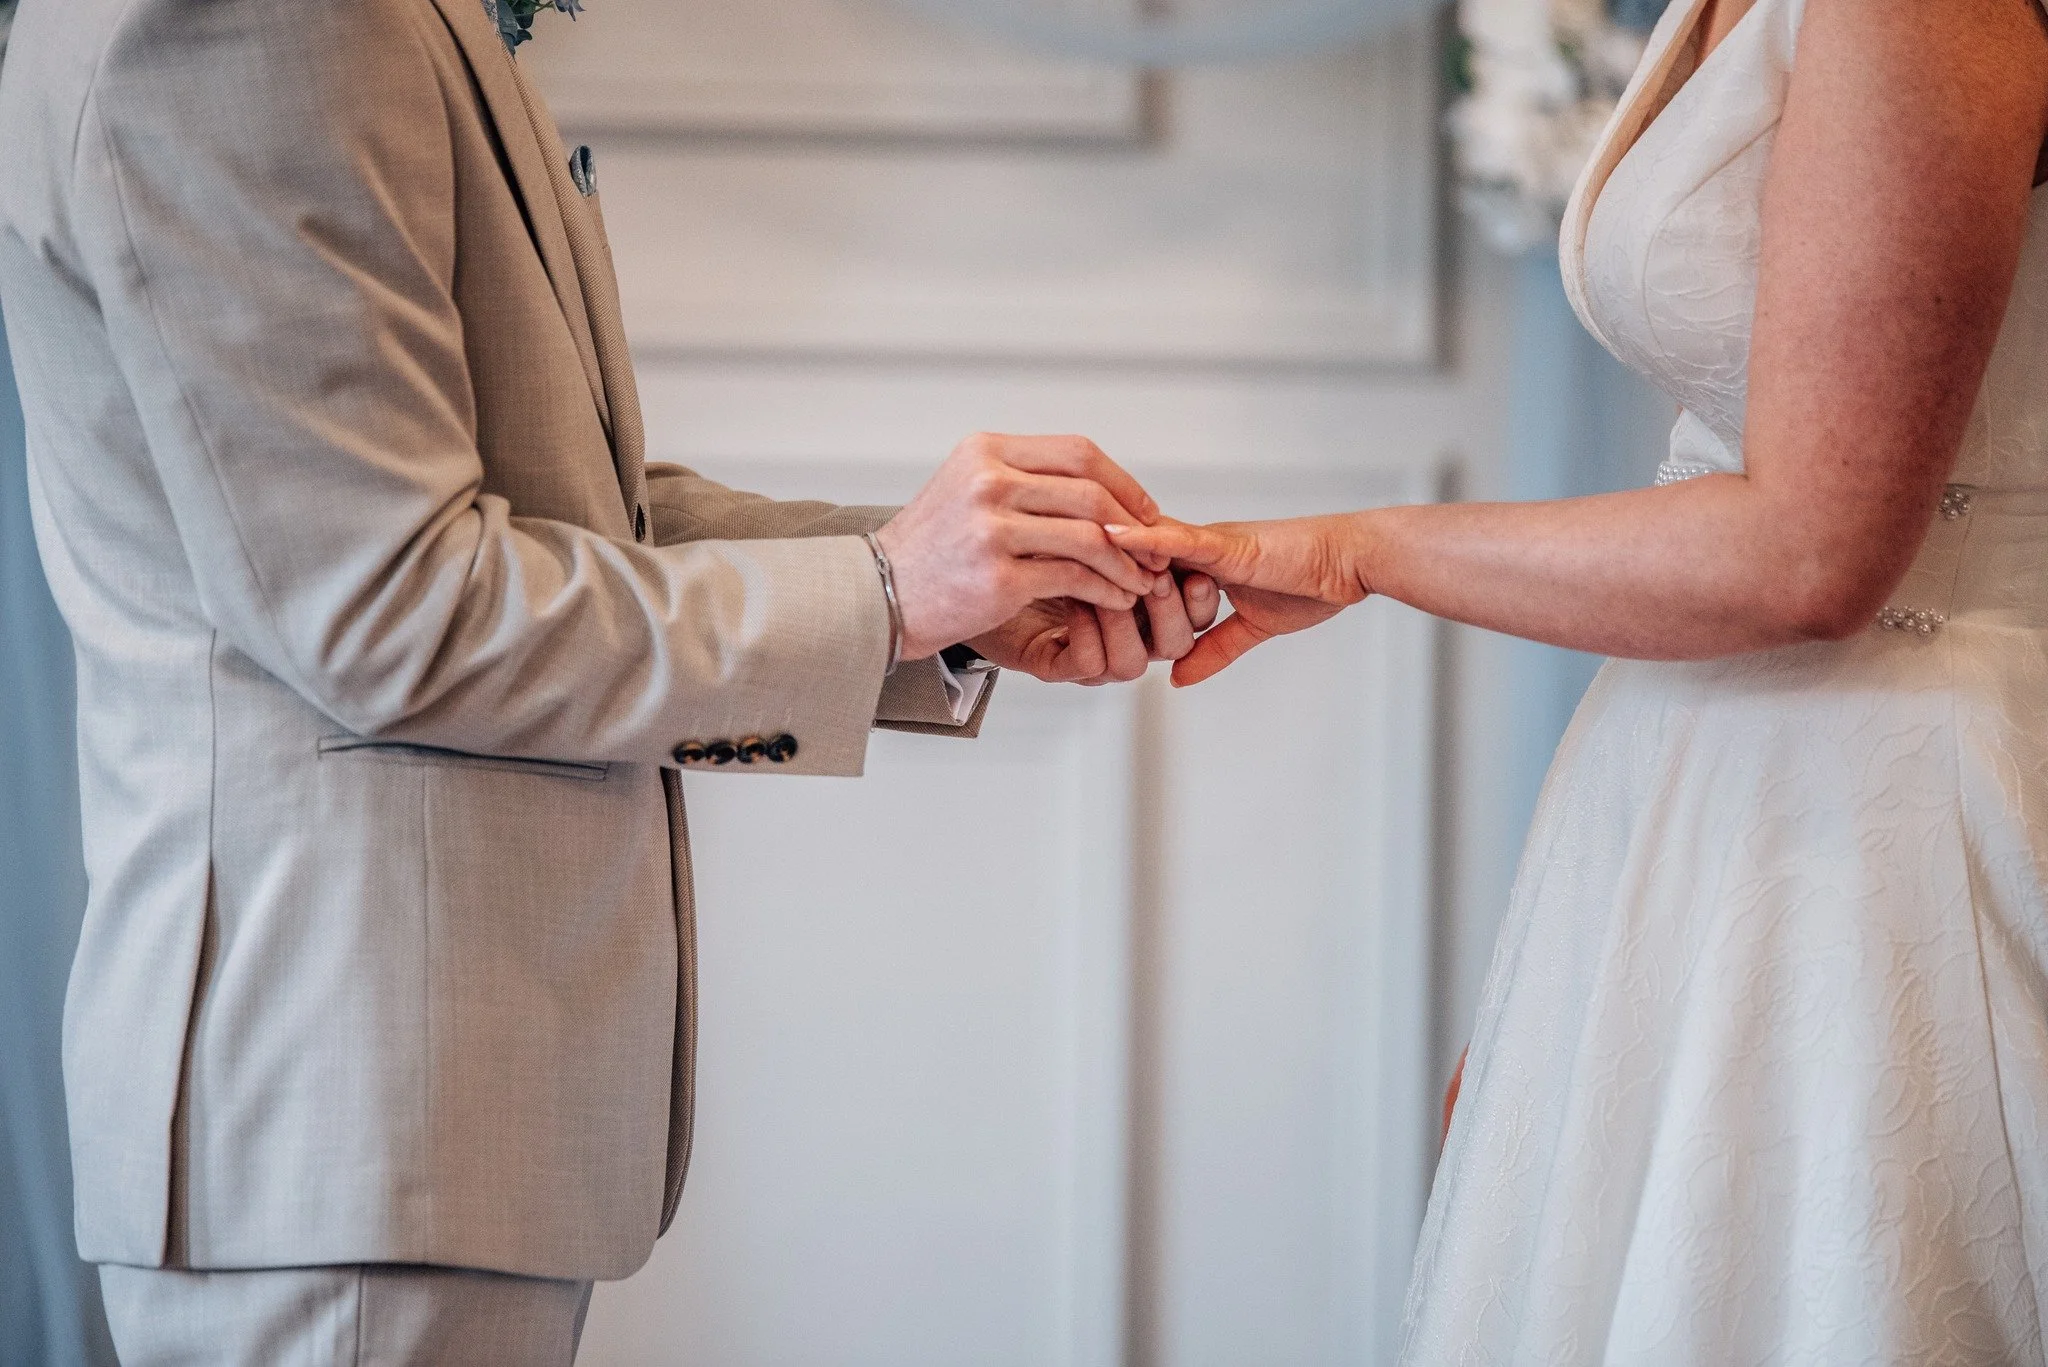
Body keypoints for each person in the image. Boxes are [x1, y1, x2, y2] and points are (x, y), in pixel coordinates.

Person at [0, 0, 1215, 1360]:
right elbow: (388, 607)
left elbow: (551, 516)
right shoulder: (247, 17)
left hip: (399, 1144)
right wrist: (883, 592)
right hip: (342, 1126)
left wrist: (946, 607)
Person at [1112, 0, 2048, 1358]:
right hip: (1696, 801)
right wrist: (1572, 997)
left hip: (1878, 832)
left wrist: (1353, 552)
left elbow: (1812, 554)